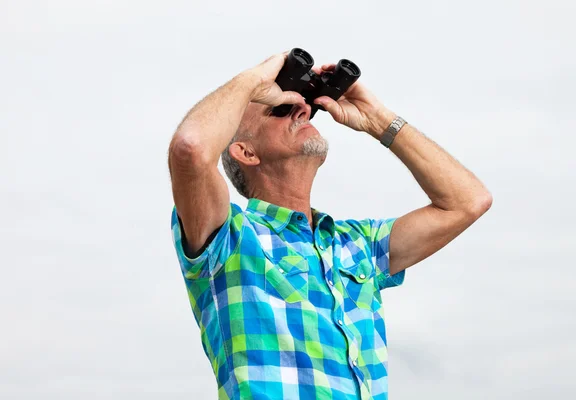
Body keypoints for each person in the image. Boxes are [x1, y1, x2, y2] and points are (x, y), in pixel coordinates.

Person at [167, 50, 492, 400]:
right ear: (246, 153)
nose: (304, 109)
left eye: (303, 104)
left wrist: (378, 120)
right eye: (280, 108)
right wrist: (253, 81)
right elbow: (190, 149)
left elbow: (468, 201)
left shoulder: (357, 244)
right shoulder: (230, 237)